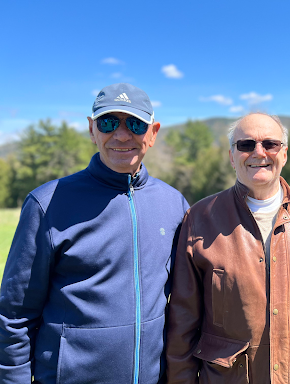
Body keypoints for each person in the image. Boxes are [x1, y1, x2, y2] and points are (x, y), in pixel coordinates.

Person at [0, 83, 189, 384]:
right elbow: (14, 315)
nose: (122, 134)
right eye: (108, 122)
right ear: (92, 130)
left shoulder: (174, 204)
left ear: (152, 133)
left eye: (135, 124)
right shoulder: (47, 204)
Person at [165, 112, 290, 383]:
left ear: (284, 154)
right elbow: (182, 323)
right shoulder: (200, 219)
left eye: (270, 144)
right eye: (246, 145)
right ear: (231, 156)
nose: (258, 152)